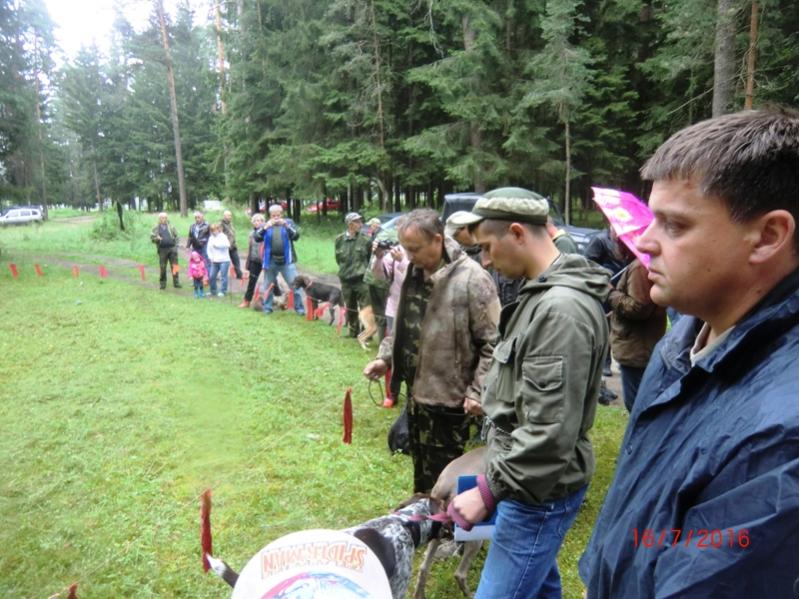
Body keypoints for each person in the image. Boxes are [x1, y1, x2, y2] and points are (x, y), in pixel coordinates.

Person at [579, 107, 799, 598]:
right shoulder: (682, 343)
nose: (645, 241)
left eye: (674, 225)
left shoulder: (783, 433)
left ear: (767, 237)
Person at [446, 187, 609, 599]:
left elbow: (549, 432)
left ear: (517, 233)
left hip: (537, 490)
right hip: (524, 477)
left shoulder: (560, 311)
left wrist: (488, 491)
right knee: (538, 589)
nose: (485, 260)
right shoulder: (540, 295)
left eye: (487, 246)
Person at [363, 209, 500, 493]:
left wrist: (477, 391)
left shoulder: (473, 279)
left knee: (447, 479)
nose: (409, 256)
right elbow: (406, 325)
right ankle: (424, 511)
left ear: (438, 240)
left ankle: (446, 520)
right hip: (417, 394)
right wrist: (385, 357)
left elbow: (494, 343)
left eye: (414, 249)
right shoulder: (414, 271)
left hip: (450, 401)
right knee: (422, 472)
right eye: (405, 249)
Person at [607, 254, 666, 411]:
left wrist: (611, 293)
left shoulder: (639, 268)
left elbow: (638, 308)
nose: (615, 244)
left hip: (637, 346)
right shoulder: (638, 265)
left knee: (637, 405)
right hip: (637, 344)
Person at [253, 204, 305, 315]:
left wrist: (286, 226)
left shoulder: (288, 223)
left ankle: (300, 309)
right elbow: (256, 237)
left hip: (287, 261)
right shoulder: (265, 225)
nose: (276, 217)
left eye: (278, 215)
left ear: (282, 214)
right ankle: (267, 308)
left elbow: (296, 236)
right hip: (271, 260)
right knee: (268, 286)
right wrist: (265, 227)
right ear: (270, 215)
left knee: (295, 285)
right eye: (273, 215)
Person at [336, 212, 371, 337]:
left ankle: (366, 333)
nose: (361, 224)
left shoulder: (366, 240)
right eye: (358, 222)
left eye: (361, 221)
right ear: (350, 224)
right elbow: (338, 259)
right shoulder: (339, 240)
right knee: (350, 307)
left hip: (362, 280)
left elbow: (370, 259)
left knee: (365, 307)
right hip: (346, 280)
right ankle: (353, 331)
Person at [239, 213, 265, 308]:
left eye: (259, 220)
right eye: (255, 221)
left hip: (265, 261)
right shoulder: (251, 234)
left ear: (263, 222)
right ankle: (247, 301)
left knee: (273, 281)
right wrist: (247, 264)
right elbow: (250, 249)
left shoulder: (267, 232)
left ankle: (280, 299)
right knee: (252, 282)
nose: (256, 222)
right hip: (254, 260)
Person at [150, 212, 181, 289]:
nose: (164, 219)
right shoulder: (156, 228)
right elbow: (152, 238)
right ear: (159, 219)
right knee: (163, 267)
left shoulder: (171, 226)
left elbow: (177, 236)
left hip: (172, 249)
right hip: (162, 250)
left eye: (165, 218)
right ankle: (163, 284)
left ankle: (176, 282)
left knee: (175, 266)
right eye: (163, 218)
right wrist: (157, 238)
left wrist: (176, 246)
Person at [207, 222, 231, 297]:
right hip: (214, 260)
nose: (213, 232)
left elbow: (227, 245)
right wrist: (210, 257)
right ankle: (213, 290)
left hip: (224, 260)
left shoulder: (223, 236)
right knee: (212, 276)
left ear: (218, 229)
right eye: (212, 230)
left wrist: (218, 246)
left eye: (214, 230)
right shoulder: (211, 238)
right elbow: (208, 249)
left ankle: (223, 291)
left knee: (223, 276)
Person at [220, 210, 243, 280]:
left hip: (233, 246)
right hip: (225, 247)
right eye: (228, 215)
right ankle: (222, 276)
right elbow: (220, 235)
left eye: (230, 215)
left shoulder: (230, 224)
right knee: (223, 262)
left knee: (236, 260)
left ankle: (239, 275)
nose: (230, 217)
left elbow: (232, 234)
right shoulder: (221, 224)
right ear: (224, 216)